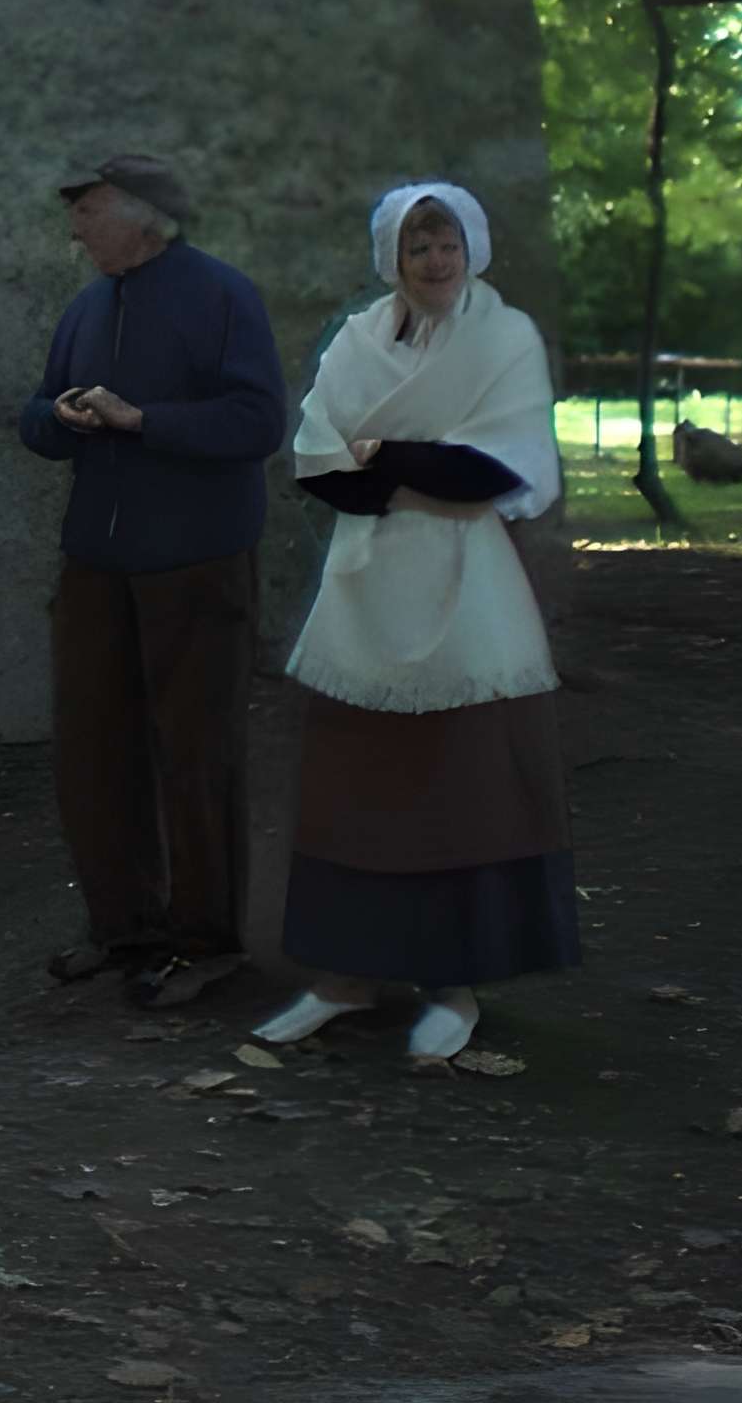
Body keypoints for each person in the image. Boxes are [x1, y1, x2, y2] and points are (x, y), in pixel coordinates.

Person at [255, 183, 577, 1060]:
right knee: (356, 783)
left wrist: (387, 451)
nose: (433, 262)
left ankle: (453, 984)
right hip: (366, 587)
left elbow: (492, 468)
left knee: (460, 782)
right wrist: (407, 462)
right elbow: (320, 464)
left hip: (467, 587)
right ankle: (347, 976)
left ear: (472, 247)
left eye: (446, 245)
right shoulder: (359, 341)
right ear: (390, 260)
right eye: (415, 248)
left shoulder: (503, 339)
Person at [18, 155, 289, 1008]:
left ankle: (206, 941)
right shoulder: (87, 307)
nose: (75, 228)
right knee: (93, 752)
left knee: (195, 755)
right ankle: (123, 928)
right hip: (97, 564)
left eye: (88, 210)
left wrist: (144, 421)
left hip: (197, 562)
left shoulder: (221, 296)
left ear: (144, 216)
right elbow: (35, 415)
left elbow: (257, 422)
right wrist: (57, 416)